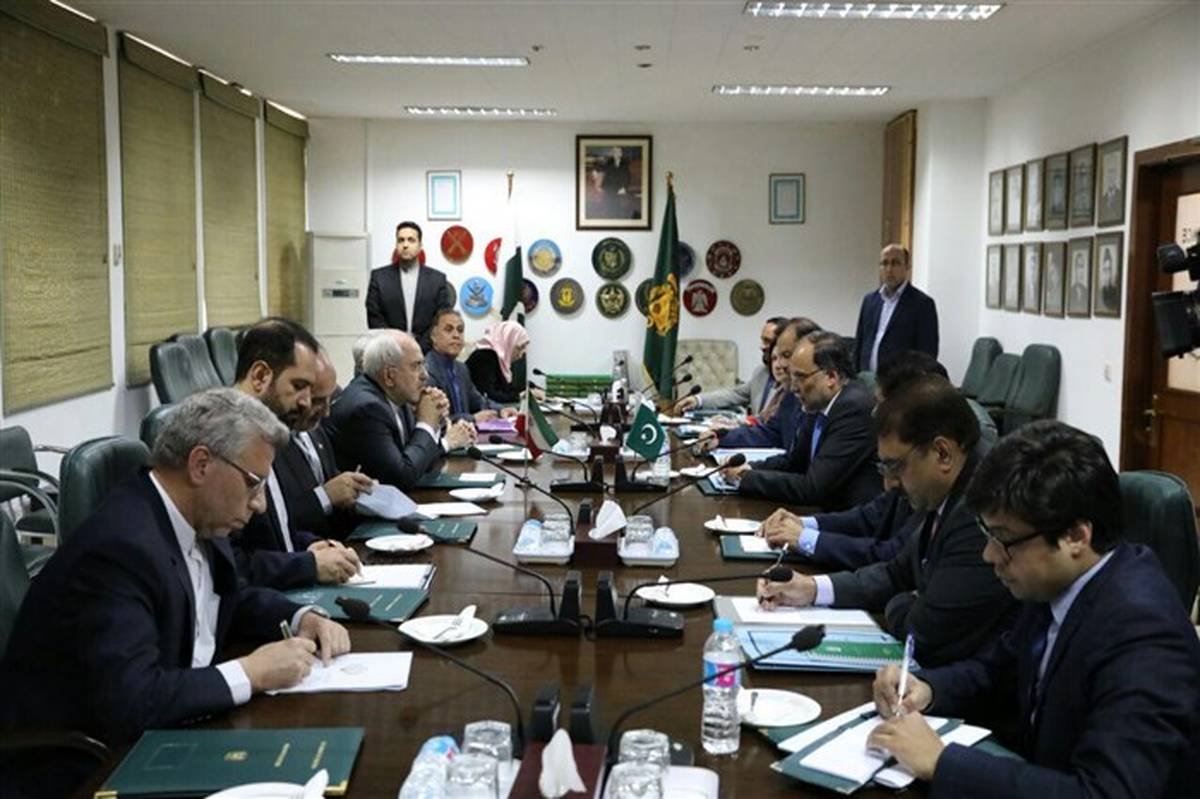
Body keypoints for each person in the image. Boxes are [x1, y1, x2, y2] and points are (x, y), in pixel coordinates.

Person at [0, 389, 351, 799]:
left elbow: (230, 597)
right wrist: (251, 672)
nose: (259, 505)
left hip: (171, 732)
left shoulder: (199, 517)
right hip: (90, 766)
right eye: (253, 484)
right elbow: (133, 701)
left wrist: (300, 617)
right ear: (201, 465)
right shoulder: (119, 548)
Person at [867, 421, 1200, 798]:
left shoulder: (1144, 634)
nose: (988, 555)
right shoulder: (1059, 585)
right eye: (987, 534)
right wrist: (928, 688)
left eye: (1003, 539)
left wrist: (943, 763)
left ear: (1076, 536)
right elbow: (997, 670)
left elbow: (1104, 793)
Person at [757, 376, 1016, 667]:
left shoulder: (980, 510)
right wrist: (812, 588)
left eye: (895, 466)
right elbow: (896, 574)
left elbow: (924, 635)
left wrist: (900, 602)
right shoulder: (947, 486)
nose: (889, 483)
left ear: (942, 453)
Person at [757, 352, 986, 572]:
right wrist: (803, 524)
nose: (874, 412)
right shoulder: (914, 463)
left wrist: (804, 538)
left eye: (880, 404)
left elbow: (893, 556)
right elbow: (871, 517)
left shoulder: (954, 492)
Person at [231, 318, 362, 589]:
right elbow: (229, 565)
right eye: (299, 386)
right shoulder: (225, 441)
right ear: (259, 376)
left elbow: (276, 531)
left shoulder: (269, 429)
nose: (306, 402)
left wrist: (310, 546)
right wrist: (308, 565)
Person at [723, 331, 881, 511]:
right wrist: (750, 467)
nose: (793, 387)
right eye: (792, 377)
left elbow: (812, 488)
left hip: (845, 518)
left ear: (831, 377)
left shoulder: (853, 409)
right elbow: (795, 462)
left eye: (800, 377)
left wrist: (747, 478)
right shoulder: (817, 403)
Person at [326, 330, 475, 489]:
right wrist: (426, 423)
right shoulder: (368, 408)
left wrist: (436, 419)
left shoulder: (397, 396)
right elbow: (401, 476)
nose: (425, 375)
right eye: (416, 366)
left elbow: (415, 456)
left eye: (423, 365)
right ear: (389, 376)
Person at [277, 347, 375, 538]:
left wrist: (354, 488)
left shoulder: (314, 428)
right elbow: (275, 524)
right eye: (318, 401)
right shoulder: (269, 444)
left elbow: (330, 480)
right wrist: (325, 497)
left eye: (330, 399)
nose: (327, 412)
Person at [694, 317, 817, 451]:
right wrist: (721, 439)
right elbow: (770, 432)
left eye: (787, 355)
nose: (780, 364)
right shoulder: (789, 393)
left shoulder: (821, 404)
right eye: (776, 358)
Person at [365, 220, 453, 352]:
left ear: (420, 245)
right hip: (390, 352)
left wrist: (418, 348)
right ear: (396, 245)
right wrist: (398, 346)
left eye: (411, 240)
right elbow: (374, 318)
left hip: (427, 353)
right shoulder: (379, 277)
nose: (405, 245)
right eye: (401, 240)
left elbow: (441, 319)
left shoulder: (437, 280)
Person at [673, 316, 787, 416]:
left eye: (767, 341)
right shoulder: (761, 372)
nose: (762, 347)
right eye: (762, 340)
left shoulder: (790, 381)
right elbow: (735, 394)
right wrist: (697, 400)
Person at [853, 244, 939, 373]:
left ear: (907, 267)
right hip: (866, 379)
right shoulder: (870, 301)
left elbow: (927, 354)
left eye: (895, 263)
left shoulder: (922, 304)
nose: (889, 269)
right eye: (884, 263)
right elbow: (859, 343)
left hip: (901, 381)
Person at [425, 308, 518, 423]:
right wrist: (472, 419)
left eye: (460, 330)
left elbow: (478, 401)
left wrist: (500, 410)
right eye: (448, 330)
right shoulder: (427, 370)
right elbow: (434, 420)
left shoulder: (461, 369)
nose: (456, 335)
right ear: (433, 336)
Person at [466, 320, 535, 405]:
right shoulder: (485, 356)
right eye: (519, 348)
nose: (520, 355)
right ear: (508, 341)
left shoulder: (501, 359)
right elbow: (490, 395)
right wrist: (521, 395)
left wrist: (528, 390)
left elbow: (506, 390)